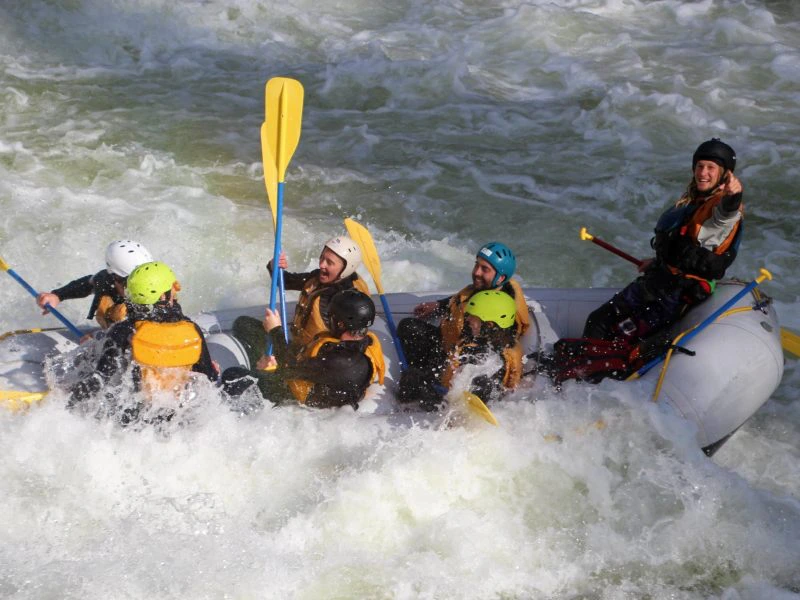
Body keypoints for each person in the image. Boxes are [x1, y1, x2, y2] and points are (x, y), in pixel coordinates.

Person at [554, 138, 744, 383]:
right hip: (659, 281)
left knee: (618, 338)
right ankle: (582, 377)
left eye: (710, 168)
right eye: (699, 166)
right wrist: (657, 263)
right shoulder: (696, 201)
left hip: (674, 294)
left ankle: (593, 382)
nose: (703, 173)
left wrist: (733, 198)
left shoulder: (722, 207)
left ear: (724, 175)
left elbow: (723, 219)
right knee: (599, 320)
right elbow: (686, 249)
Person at [66, 261, 218, 417]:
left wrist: (66, 403)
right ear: (162, 296)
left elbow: (100, 380)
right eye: (172, 290)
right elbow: (209, 377)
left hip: (136, 416)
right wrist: (214, 371)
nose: (175, 293)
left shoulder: (124, 331)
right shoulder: (192, 329)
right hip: (177, 415)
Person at [221, 289, 385, 410]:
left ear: (341, 324)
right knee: (245, 325)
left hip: (292, 394)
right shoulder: (366, 343)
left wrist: (275, 331)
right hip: (310, 375)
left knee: (232, 375)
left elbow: (287, 369)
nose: (328, 321)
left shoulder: (339, 361)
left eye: (331, 318)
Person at [397, 242, 529, 385]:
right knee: (408, 326)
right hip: (447, 343)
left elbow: (485, 348)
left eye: (485, 269)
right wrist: (439, 305)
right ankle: (419, 371)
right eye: (476, 265)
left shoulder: (499, 310)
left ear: (501, 278)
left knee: (412, 382)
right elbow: (463, 299)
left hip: (459, 358)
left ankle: (426, 379)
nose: (477, 272)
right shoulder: (485, 288)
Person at [399, 290, 523, 409]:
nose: (467, 319)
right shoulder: (478, 338)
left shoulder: (495, 358)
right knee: (412, 374)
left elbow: (487, 390)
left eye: (473, 317)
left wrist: (431, 393)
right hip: (448, 389)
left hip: (455, 403)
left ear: (489, 324)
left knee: (412, 379)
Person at [264, 235, 370, 352]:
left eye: (329, 262)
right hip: (301, 347)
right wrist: (275, 265)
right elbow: (285, 282)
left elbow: (350, 345)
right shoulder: (318, 278)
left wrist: (275, 331)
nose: (321, 264)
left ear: (346, 269)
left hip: (316, 357)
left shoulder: (348, 302)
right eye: (322, 258)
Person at [37, 240, 153, 329]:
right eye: (130, 283)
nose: (141, 289)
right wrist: (57, 295)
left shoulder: (161, 293)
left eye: (145, 280)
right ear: (114, 277)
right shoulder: (105, 280)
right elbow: (88, 284)